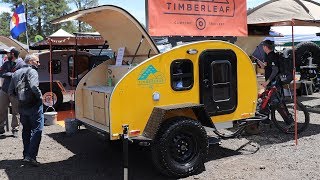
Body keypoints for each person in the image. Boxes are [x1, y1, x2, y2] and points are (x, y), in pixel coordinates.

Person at [8, 54, 43, 166]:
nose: (39, 64)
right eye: (37, 61)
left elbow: (10, 92)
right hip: (34, 105)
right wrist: (40, 97)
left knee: (26, 130)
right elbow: (33, 86)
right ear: (31, 61)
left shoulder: (15, 73)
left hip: (22, 106)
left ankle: (26, 155)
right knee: (37, 130)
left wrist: (18, 101)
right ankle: (31, 156)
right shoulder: (32, 72)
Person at [0, 47, 25, 137]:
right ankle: (0, 128)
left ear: (12, 54)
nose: (6, 55)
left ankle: (15, 129)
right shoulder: (6, 63)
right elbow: (1, 73)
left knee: (16, 111)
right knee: (1, 109)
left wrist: (8, 74)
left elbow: (21, 76)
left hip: (15, 91)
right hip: (5, 90)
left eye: (8, 53)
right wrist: (12, 74)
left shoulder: (21, 64)